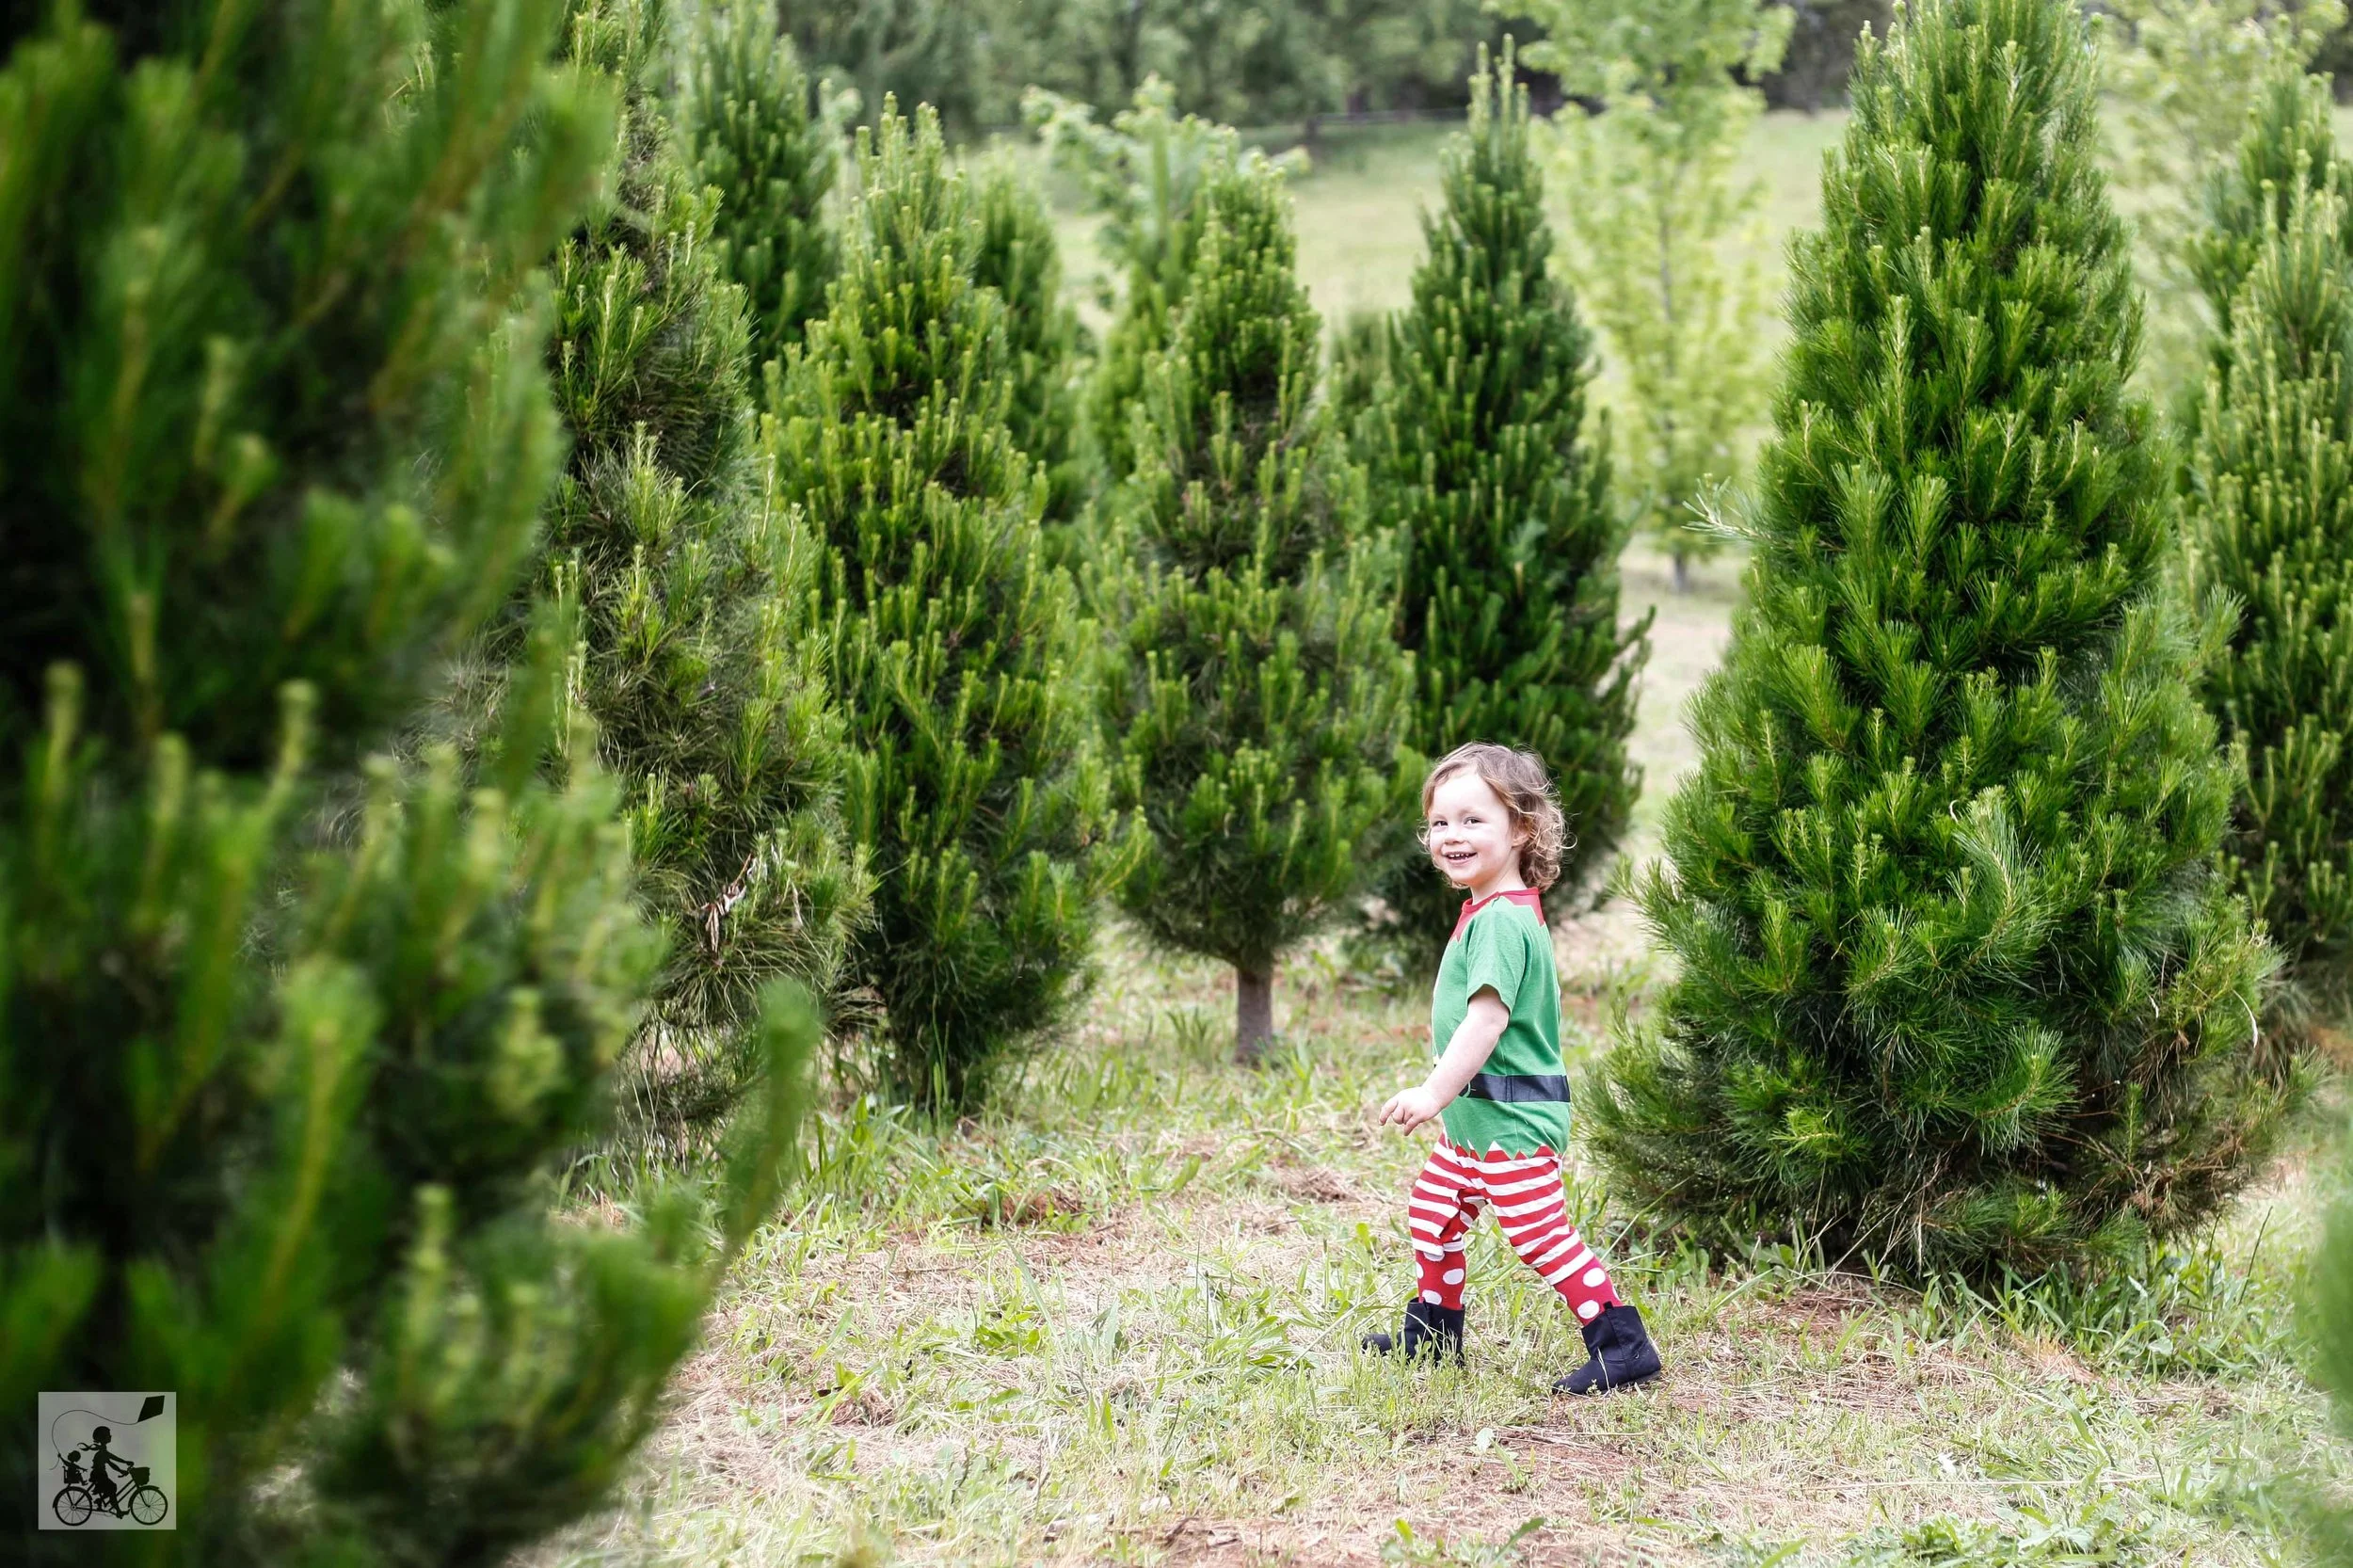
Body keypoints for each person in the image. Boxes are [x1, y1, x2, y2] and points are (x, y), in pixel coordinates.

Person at [1363, 742, 1663, 1394]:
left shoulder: (1501, 920)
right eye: (1440, 823)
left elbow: (1487, 1022)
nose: (1452, 836)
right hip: (1479, 1121)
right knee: (1434, 1213)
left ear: (1522, 827)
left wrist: (1433, 1091)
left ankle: (1622, 1342)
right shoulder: (1489, 908)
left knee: (1536, 1232)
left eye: (1473, 821)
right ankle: (1433, 1338)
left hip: (1512, 1117)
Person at [84, 1426, 135, 1512]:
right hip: (99, 1474)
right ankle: (118, 1511)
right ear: (103, 1437)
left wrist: (122, 1467)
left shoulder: (103, 1450)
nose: (110, 1436)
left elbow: (110, 1462)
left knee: (112, 1487)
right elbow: (112, 1459)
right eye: (108, 1435)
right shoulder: (103, 1451)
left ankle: (100, 1501)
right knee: (112, 1487)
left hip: (100, 1474)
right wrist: (124, 1463)